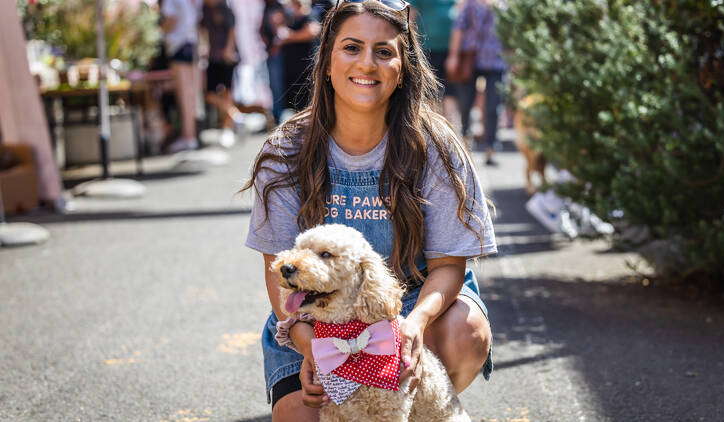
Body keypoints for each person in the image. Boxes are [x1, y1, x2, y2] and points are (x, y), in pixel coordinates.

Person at [241, 1, 497, 420]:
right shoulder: (285, 151)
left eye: (383, 51)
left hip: (409, 305)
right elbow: (280, 277)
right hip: (313, 317)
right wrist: (313, 348)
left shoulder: (437, 148)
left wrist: (413, 326)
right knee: (297, 415)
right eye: (352, 48)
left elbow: (450, 264)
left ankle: (418, 406)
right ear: (326, 62)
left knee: (463, 333)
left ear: (403, 68)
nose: (367, 63)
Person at [446, 0, 507, 166]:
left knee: (493, 106)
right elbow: (458, 29)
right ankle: (465, 144)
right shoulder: (470, 5)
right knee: (465, 103)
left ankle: (491, 149)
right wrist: (454, 55)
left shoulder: (504, 6)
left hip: (496, 62)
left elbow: (511, 34)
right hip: (471, 60)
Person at [161, 0, 202, 153]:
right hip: (191, 45)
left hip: (178, 46)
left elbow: (170, 21)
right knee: (190, 94)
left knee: (185, 94)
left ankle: (188, 136)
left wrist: (159, 31)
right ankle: (190, 135)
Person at [201, 0, 240, 147]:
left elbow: (232, 29)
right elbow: (203, 30)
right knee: (210, 94)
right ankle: (235, 114)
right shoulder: (205, 9)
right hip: (212, 56)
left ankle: (227, 128)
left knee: (227, 93)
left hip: (226, 56)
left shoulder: (224, 7)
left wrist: (229, 49)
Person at [278, 0, 321, 115]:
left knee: (306, 96)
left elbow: (312, 32)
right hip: (293, 66)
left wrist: (291, 37)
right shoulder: (291, 18)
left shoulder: (309, 15)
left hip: (305, 65)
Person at [261, 0, 287, 124]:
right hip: (267, 52)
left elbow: (280, 30)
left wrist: (275, 46)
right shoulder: (265, 6)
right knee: (270, 85)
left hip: (278, 53)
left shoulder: (278, 7)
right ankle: (274, 115)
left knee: (277, 85)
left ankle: (278, 116)